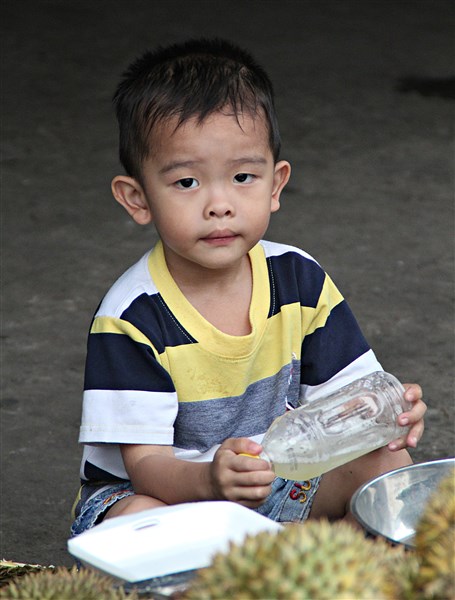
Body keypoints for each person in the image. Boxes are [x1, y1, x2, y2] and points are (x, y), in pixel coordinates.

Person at [71, 38, 426, 536]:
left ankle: (317, 558)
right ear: (138, 198)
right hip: (170, 496)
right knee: (133, 518)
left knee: (390, 468)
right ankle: (276, 554)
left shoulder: (299, 278)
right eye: (187, 183)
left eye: (242, 176)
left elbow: (349, 400)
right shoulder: (132, 317)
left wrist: (390, 413)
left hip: (276, 479)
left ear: (275, 185)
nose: (220, 204)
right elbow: (146, 464)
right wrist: (211, 480)